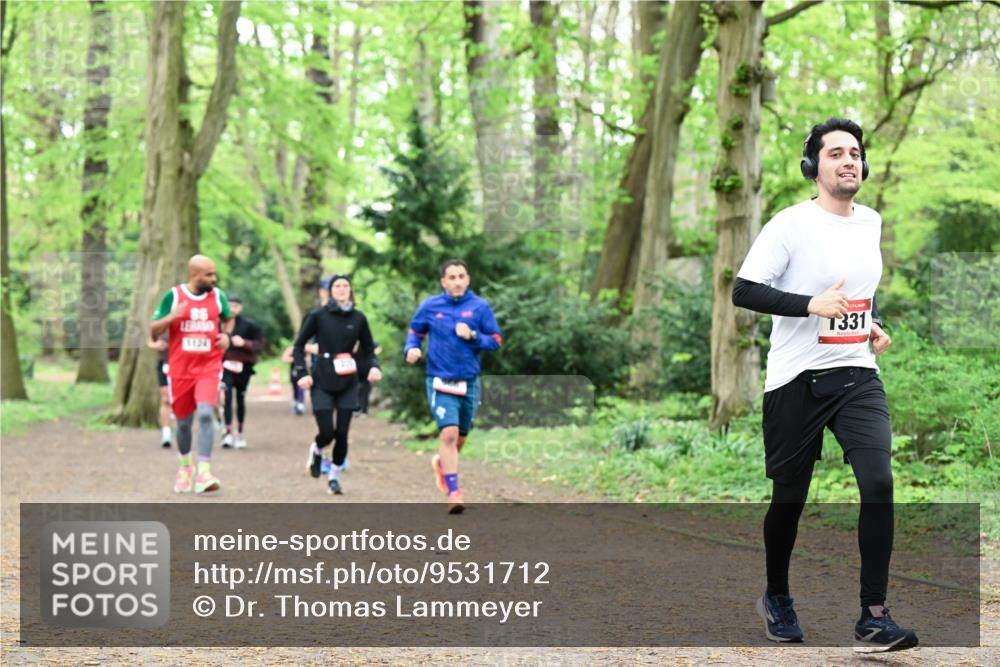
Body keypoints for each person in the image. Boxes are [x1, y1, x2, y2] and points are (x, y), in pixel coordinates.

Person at [732, 118, 917, 651]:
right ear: (814, 167)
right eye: (835, 153)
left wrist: (872, 322)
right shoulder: (789, 224)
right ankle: (777, 595)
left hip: (858, 374)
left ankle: (873, 616)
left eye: (855, 153)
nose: (848, 161)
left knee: (879, 483)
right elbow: (744, 290)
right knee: (790, 496)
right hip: (796, 376)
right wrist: (810, 305)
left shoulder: (871, 222)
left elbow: (857, 291)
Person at [403, 259, 502, 514]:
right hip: (439, 379)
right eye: (452, 277)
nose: (457, 281)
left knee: (460, 437)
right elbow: (415, 331)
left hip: (469, 381)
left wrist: (473, 335)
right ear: (443, 282)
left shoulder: (479, 307)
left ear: (467, 279)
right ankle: (454, 491)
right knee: (448, 433)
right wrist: (412, 347)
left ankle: (441, 464)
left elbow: (496, 340)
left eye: (461, 276)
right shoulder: (431, 306)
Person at [151, 255, 233, 495]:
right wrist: (171, 317)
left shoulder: (218, 296)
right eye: (209, 275)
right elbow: (153, 329)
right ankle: (186, 467)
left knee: (207, 415)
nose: (214, 279)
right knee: (184, 423)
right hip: (180, 370)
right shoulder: (174, 296)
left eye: (214, 273)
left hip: (209, 366)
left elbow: (228, 319)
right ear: (195, 275)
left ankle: (204, 472)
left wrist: (226, 336)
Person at [293, 274, 381, 495]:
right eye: (337, 286)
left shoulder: (358, 318)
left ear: (350, 290)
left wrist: (374, 366)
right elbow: (299, 345)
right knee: (327, 432)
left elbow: (369, 348)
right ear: (330, 291)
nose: (342, 289)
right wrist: (302, 372)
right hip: (322, 379)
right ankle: (317, 448)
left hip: (348, 381)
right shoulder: (318, 315)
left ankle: (334, 476)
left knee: (342, 433)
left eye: (345, 286)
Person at [220, 295, 265, 449]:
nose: (232, 309)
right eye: (229, 305)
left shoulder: (249, 325)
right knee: (226, 397)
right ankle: (227, 433)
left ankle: (240, 432)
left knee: (240, 398)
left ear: (240, 308)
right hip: (225, 367)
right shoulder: (220, 323)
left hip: (244, 367)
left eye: (235, 306)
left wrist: (245, 343)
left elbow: (260, 344)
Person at [147, 335, 172, 447]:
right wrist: (156, 345)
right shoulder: (160, 320)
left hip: (183, 364)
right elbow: (150, 340)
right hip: (164, 363)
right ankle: (166, 433)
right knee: (165, 399)